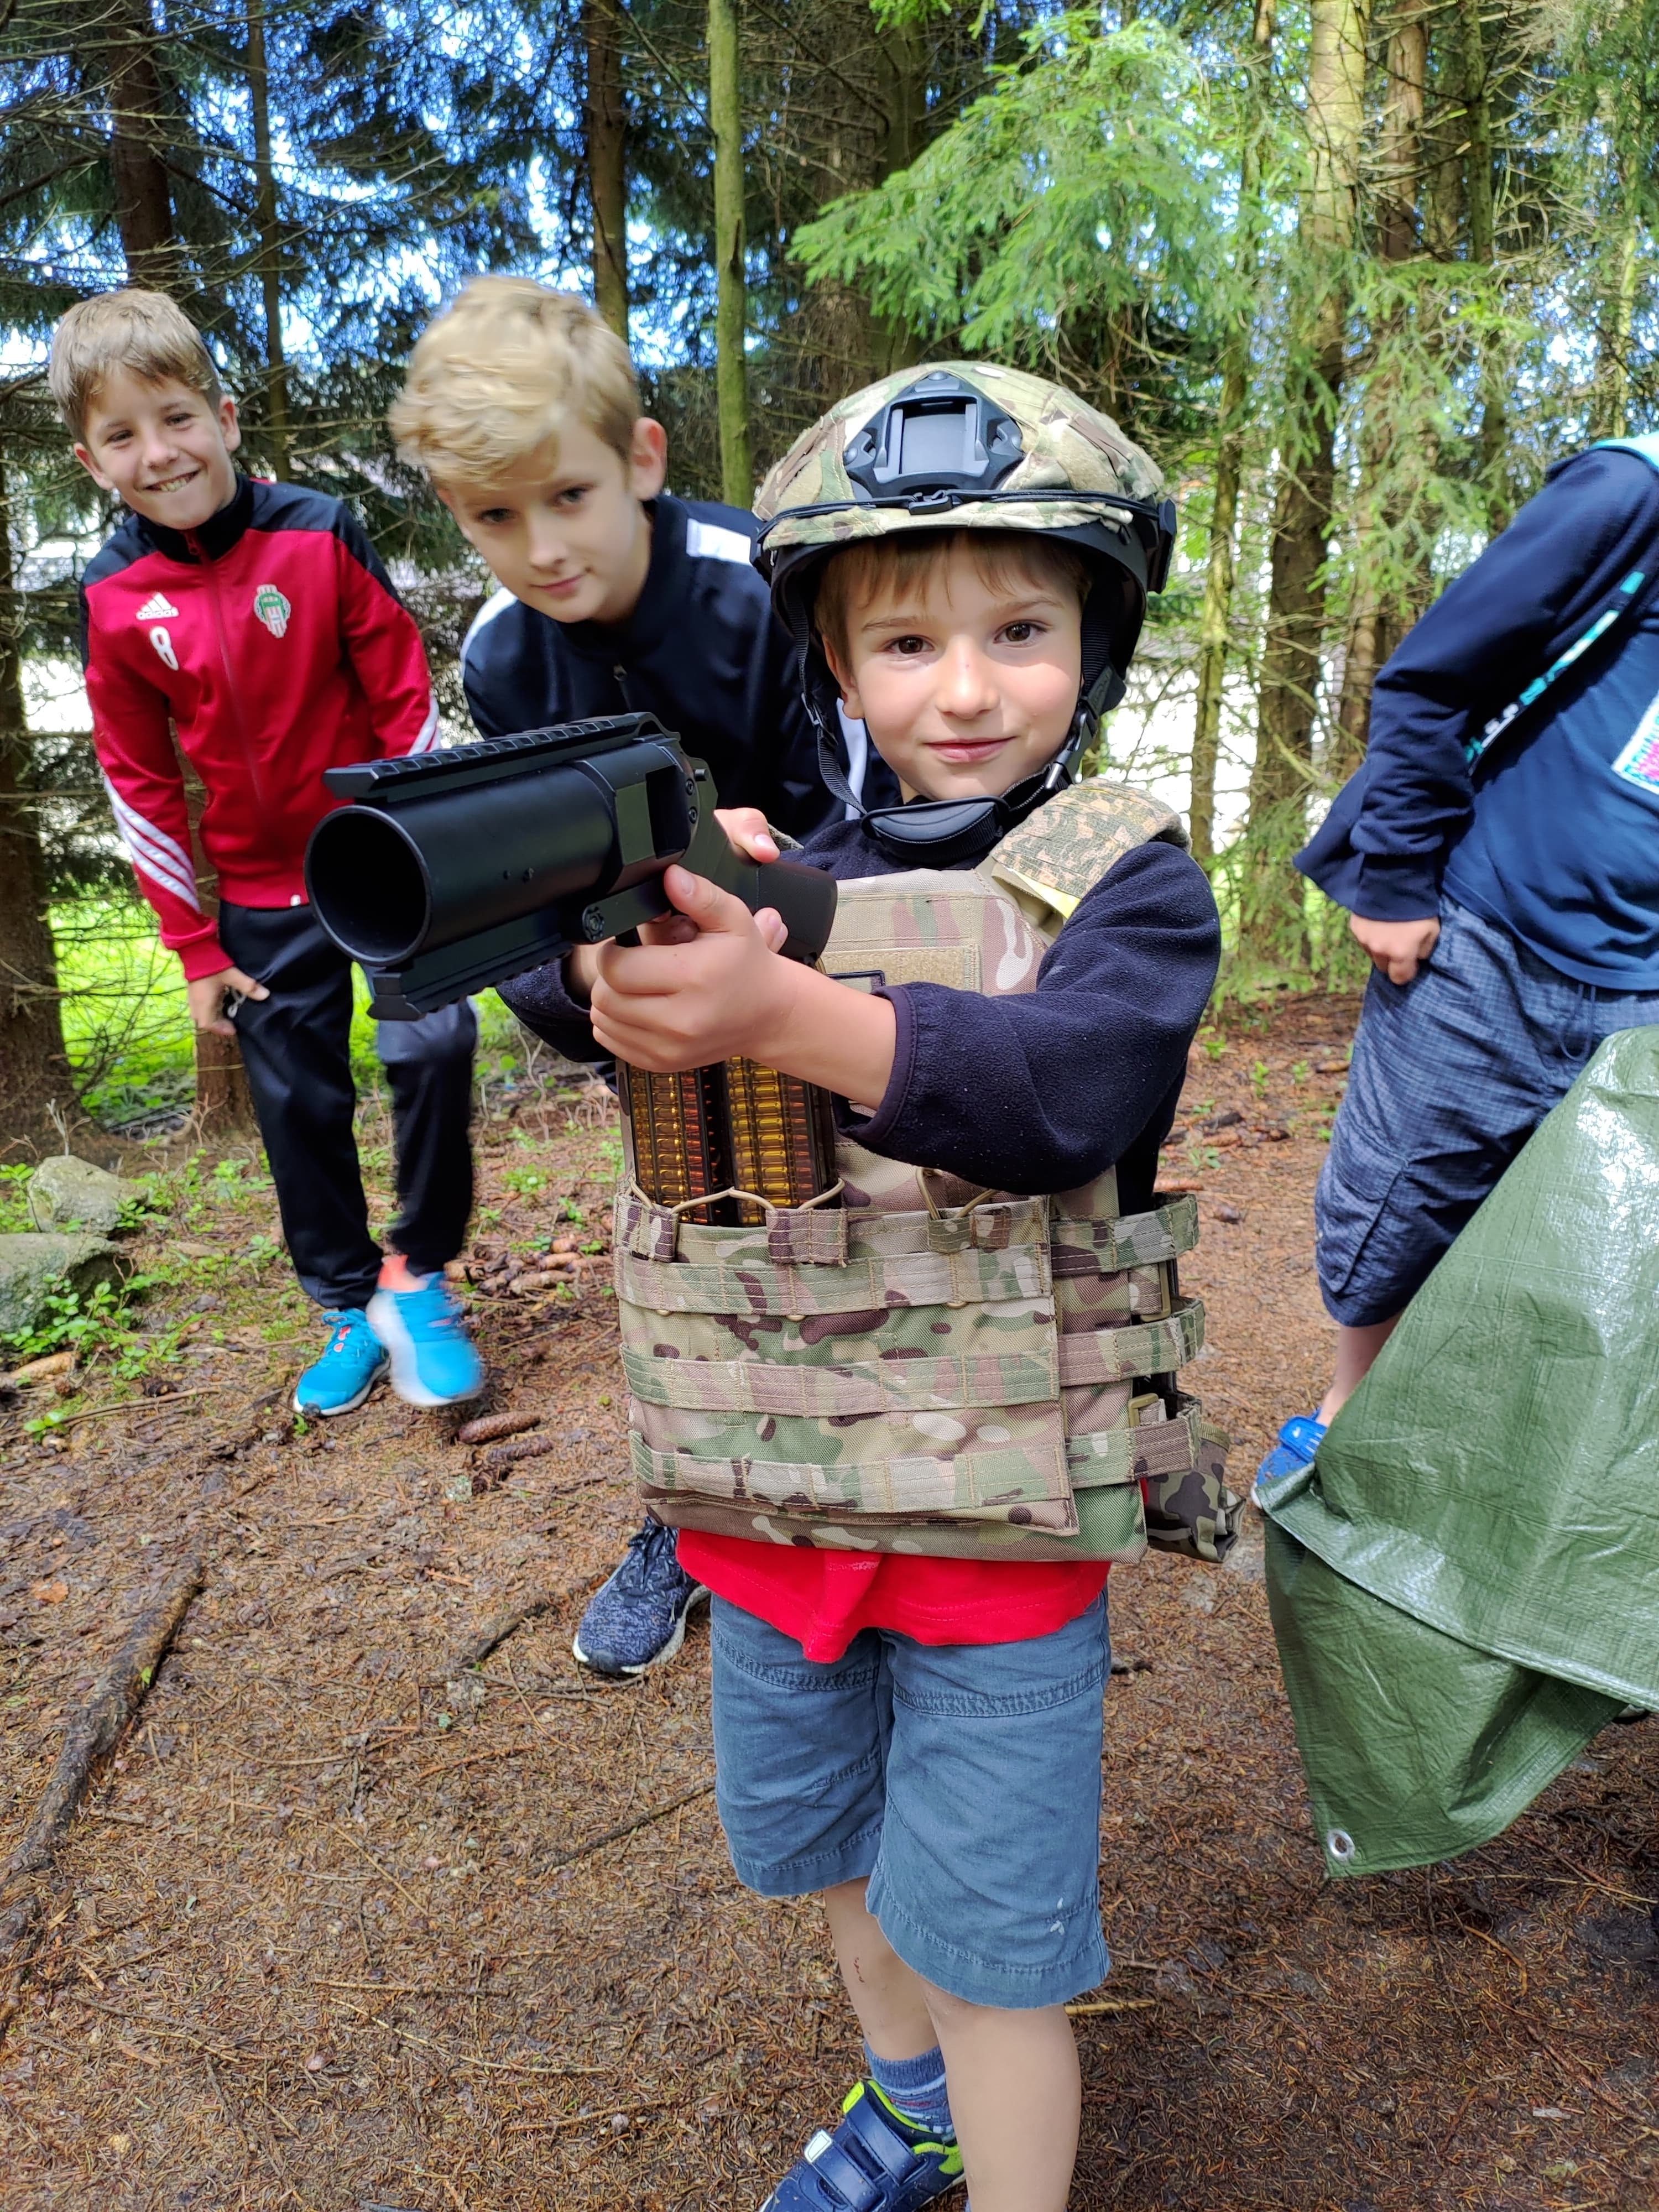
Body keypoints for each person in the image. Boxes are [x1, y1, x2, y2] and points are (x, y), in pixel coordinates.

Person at [497, 362, 1220, 2212]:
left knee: (992, 1942)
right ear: (834, 665)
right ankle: (905, 2112)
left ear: (1097, 643)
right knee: (827, 1853)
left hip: (998, 1546)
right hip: (776, 1518)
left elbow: (1069, 1094)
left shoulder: (1127, 887)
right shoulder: (782, 880)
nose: (963, 685)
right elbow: (603, 1035)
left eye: (1020, 627)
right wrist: (616, 953)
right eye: (903, 641)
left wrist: (791, 1005)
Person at [390, 275, 892, 1676]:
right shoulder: (502, 659)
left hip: (811, 971)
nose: (540, 548)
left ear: (643, 459)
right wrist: (589, 983)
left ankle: (858, 1488)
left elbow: (859, 818)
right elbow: (539, 896)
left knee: (828, 1230)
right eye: (493, 519)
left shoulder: (761, 586)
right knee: (683, 1249)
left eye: (566, 496)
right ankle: (690, 1504)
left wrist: (756, 891)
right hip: (652, 1019)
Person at [54, 288, 484, 1416]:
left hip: (381, 865)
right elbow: (138, 778)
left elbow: (404, 699)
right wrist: (194, 947)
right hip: (255, 896)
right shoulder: (110, 595)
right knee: (298, 1106)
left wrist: (428, 848)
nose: (159, 452)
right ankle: (347, 1302)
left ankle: (417, 1274)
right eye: (123, 434)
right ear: (92, 458)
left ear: (228, 417)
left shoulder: (320, 531)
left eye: (178, 416)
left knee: (434, 1043)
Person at [1257, 433, 1659, 1484]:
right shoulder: (1632, 492)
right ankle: (1348, 1424)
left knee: (1600, 1246)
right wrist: (1395, 881)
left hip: (1647, 981)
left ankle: (1507, 1488)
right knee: (1401, 1200)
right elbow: (1430, 680)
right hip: (1484, 927)